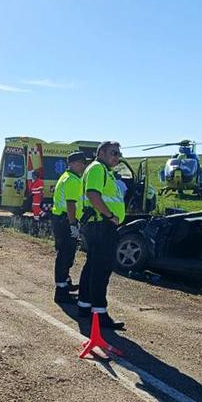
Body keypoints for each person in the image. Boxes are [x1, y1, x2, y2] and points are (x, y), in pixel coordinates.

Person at [77, 141, 126, 329]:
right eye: (114, 153)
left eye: (119, 154)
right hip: (101, 224)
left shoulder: (104, 171)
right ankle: (99, 312)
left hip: (97, 225)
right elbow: (92, 194)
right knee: (101, 269)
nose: (117, 157)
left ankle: (84, 305)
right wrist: (111, 215)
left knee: (92, 266)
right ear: (102, 153)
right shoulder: (98, 169)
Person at [51, 152, 87, 304]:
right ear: (72, 164)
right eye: (81, 163)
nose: (83, 166)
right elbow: (70, 204)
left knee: (65, 254)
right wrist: (73, 224)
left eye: (84, 163)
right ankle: (61, 290)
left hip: (61, 220)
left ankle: (65, 283)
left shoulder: (67, 177)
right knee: (65, 255)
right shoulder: (72, 180)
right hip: (66, 221)